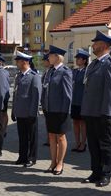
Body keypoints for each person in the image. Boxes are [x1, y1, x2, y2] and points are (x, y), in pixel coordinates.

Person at [81, 31, 111, 187]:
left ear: (103, 46)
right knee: (93, 144)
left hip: (103, 113)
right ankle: (95, 172)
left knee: (105, 145)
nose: (92, 46)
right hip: (91, 112)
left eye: (95, 43)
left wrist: (106, 112)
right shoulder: (94, 64)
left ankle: (105, 174)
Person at [44, 45, 72, 175]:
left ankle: (60, 163)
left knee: (60, 137)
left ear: (57, 57)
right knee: (51, 136)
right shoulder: (50, 71)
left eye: (50, 55)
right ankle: (53, 162)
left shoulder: (65, 71)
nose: (48, 57)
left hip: (61, 111)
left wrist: (65, 112)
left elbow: (67, 94)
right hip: (50, 110)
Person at [11, 51, 42, 168]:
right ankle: (22, 156)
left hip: (30, 112)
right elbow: (16, 95)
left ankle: (31, 158)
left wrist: (33, 112)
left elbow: (36, 95)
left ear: (25, 62)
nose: (17, 63)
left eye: (18, 61)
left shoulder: (34, 76)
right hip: (20, 112)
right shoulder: (19, 76)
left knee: (32, 137)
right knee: (22, 136)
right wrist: (14, 110)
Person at [71, 49, 89, 152]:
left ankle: (83, 144)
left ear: (84, 60)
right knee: (75, 122)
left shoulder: (87, 72)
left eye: (79, 59)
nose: (77, 60)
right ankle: (77, 143)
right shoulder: (75, 71)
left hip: (83, 102)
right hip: (74, 101)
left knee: (83, 123)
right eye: (77, 58)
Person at [40, 54, 51, 147]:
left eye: (45, 60)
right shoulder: (46, 71)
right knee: (47, 121)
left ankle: (50, 139)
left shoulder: (51, 72)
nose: (43, 62)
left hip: (50, 102)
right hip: (44, 102)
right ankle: (48, 138)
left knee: (50, 122)